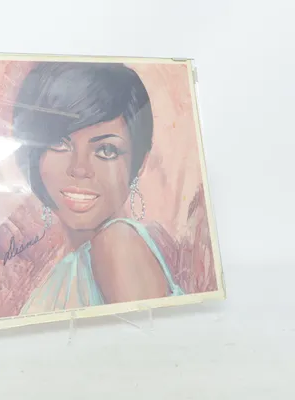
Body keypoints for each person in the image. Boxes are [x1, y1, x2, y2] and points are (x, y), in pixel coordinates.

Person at [12, 62, 184, 314]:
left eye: (106, 150)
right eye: (59, 143)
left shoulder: (118, 245)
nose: (79, 169)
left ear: (139, 163)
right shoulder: (73, 258)